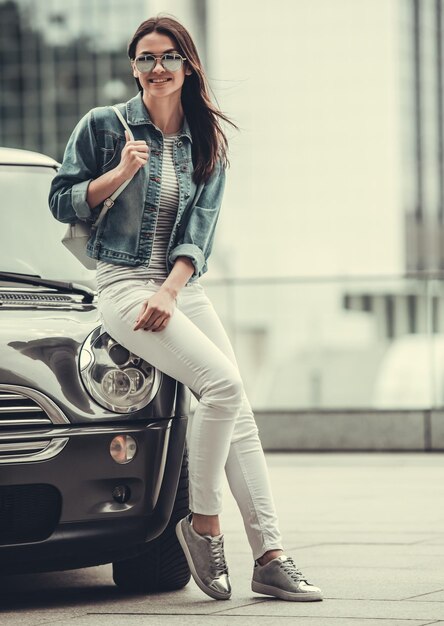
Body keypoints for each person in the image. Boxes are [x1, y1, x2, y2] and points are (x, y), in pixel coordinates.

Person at [48, 15, 323, 603]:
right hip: (122, 284)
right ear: (132, 66)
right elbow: (60, 198)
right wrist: (118, 172)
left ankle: (270, 556)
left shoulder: (207, 140)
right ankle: (203, 526)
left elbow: (200, 233)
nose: (156, 69)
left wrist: (170, 290)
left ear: (187, 65)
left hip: (177, 286)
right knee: (222, 386)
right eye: (145, 58)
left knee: (236, 406)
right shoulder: (104, 126)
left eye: (168, 57)